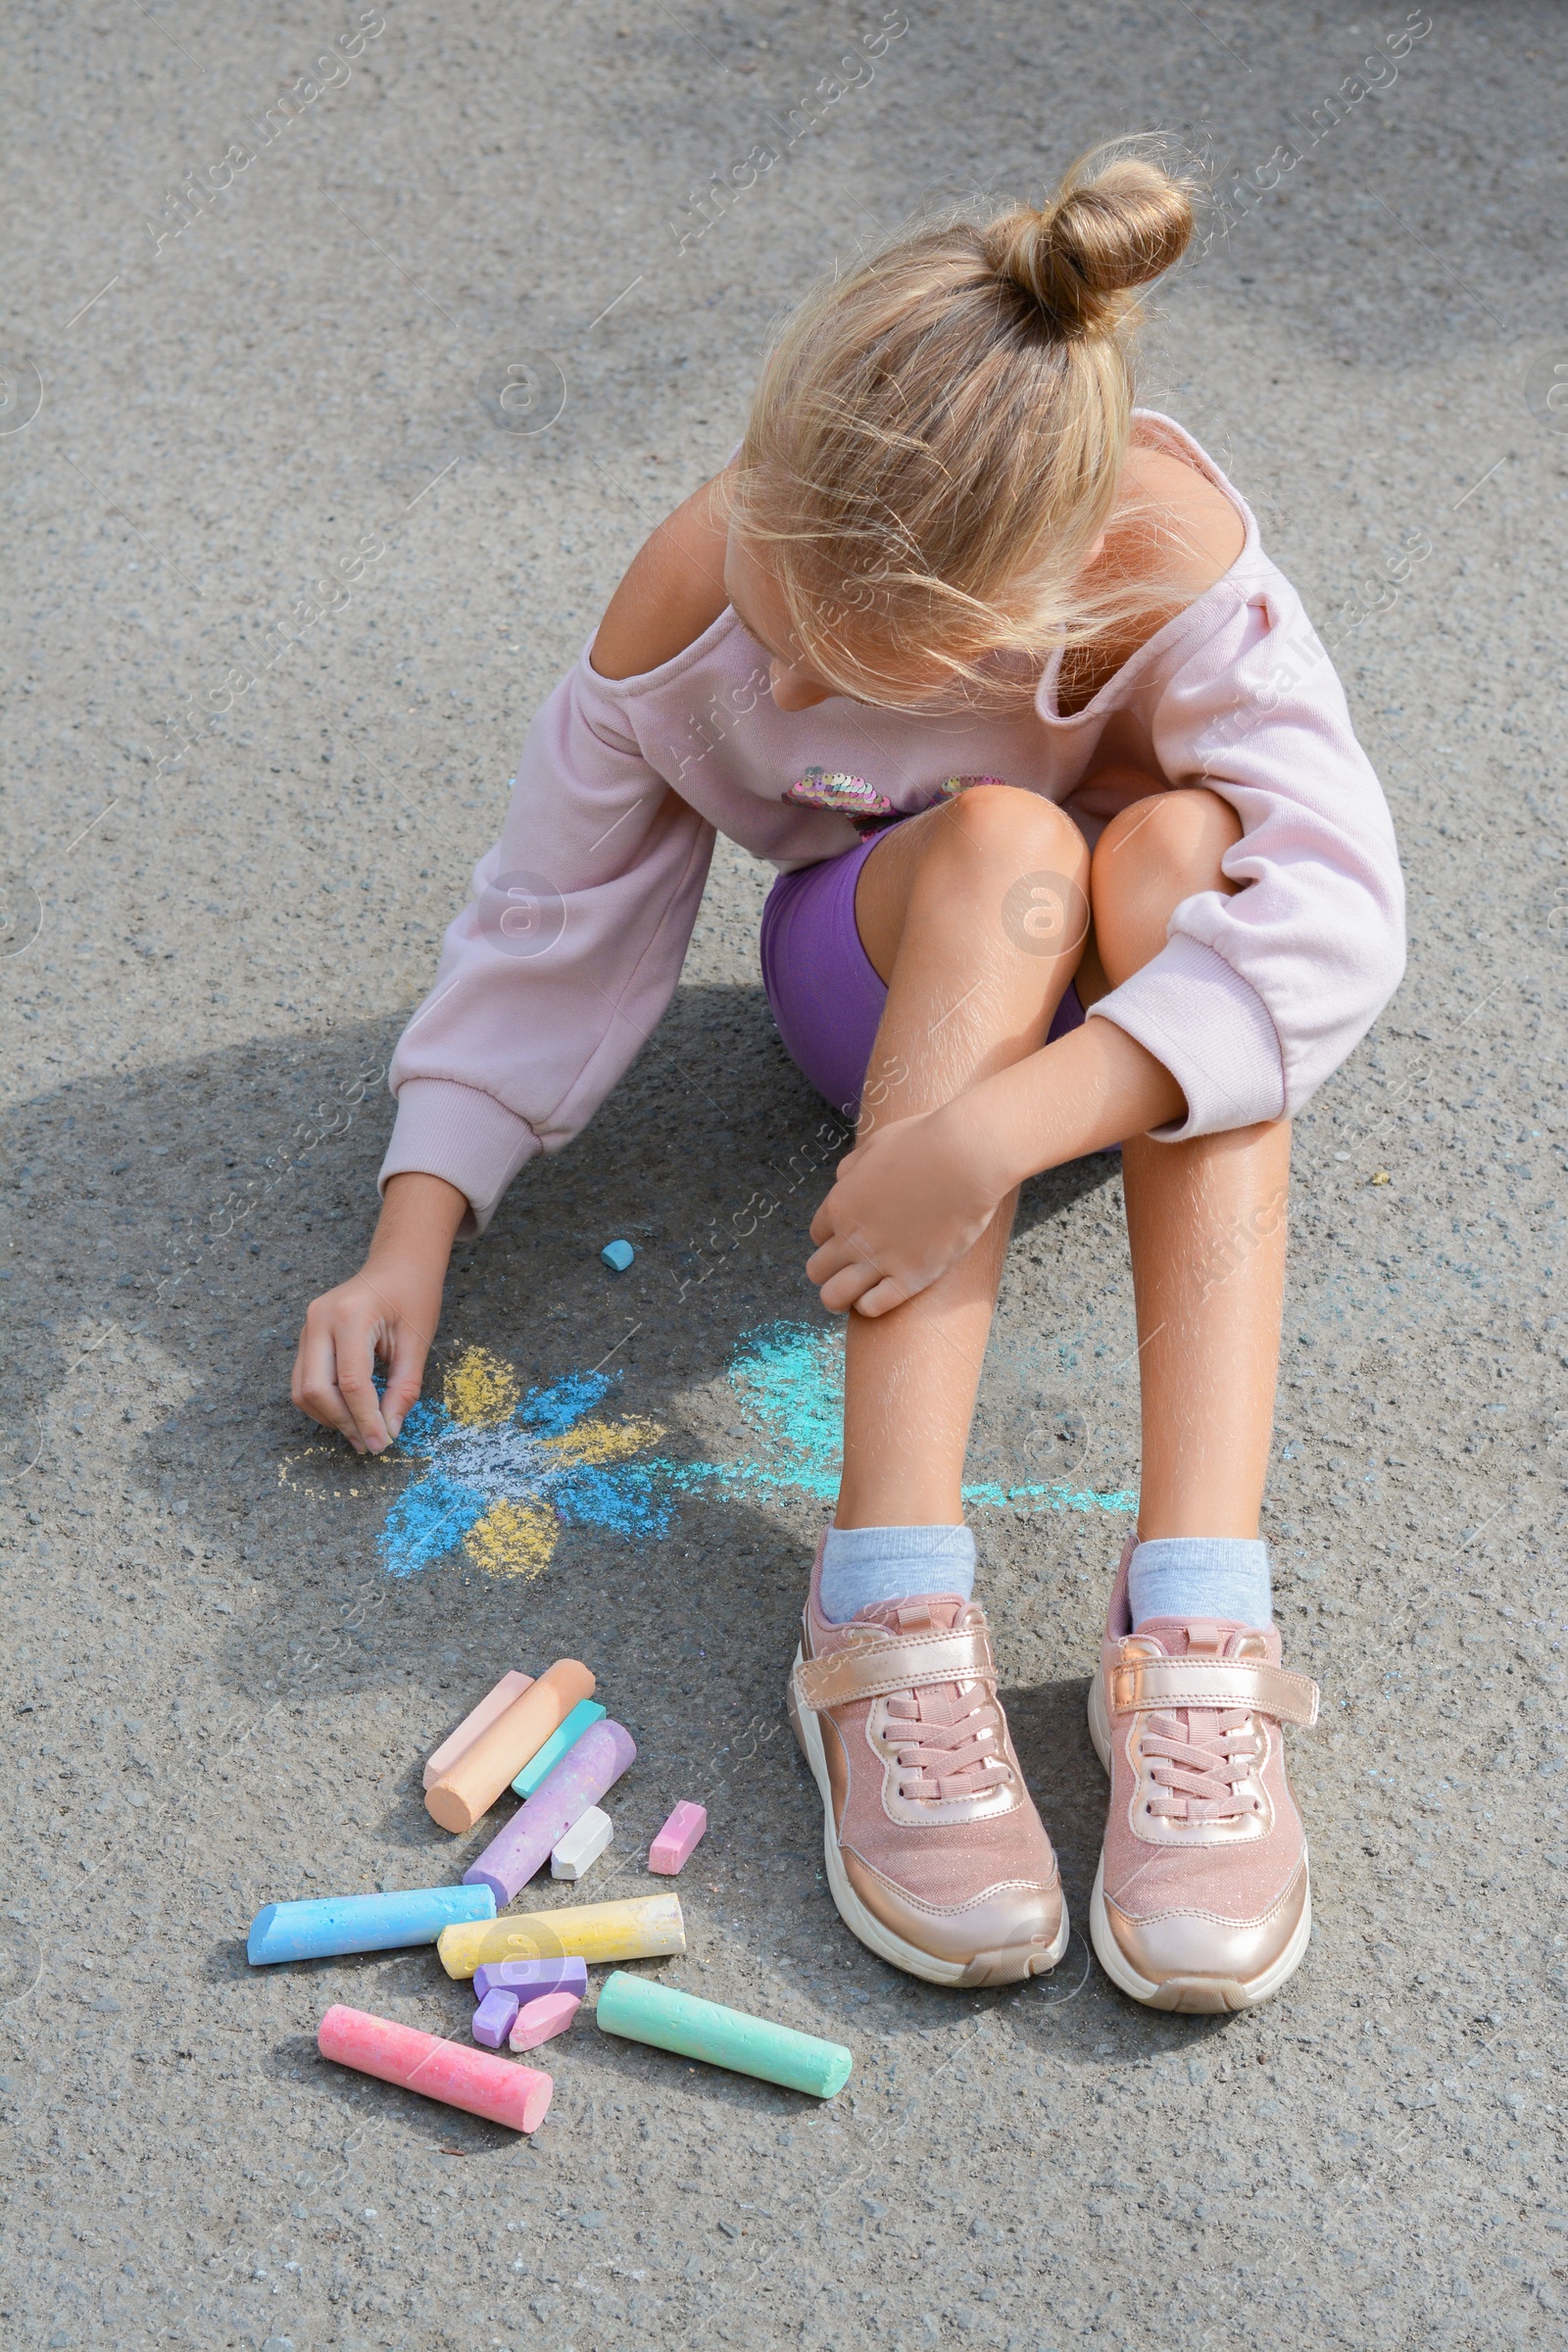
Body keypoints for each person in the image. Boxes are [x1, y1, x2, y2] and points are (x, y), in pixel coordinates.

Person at [292, 147, 1403, 2012]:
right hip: (895, 974)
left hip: (1074, 1060)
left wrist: (999, 1132)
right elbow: (554, 914)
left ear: (1022, 607)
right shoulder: (707, 573)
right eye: (771, 571)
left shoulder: (1163, 548)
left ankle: (1205, 1606)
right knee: (1004, 847)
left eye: (834, 639)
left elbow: (1338, 917)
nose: (773, 635)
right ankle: (885, 1600)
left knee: (1190, 866)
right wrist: (416, 1220)